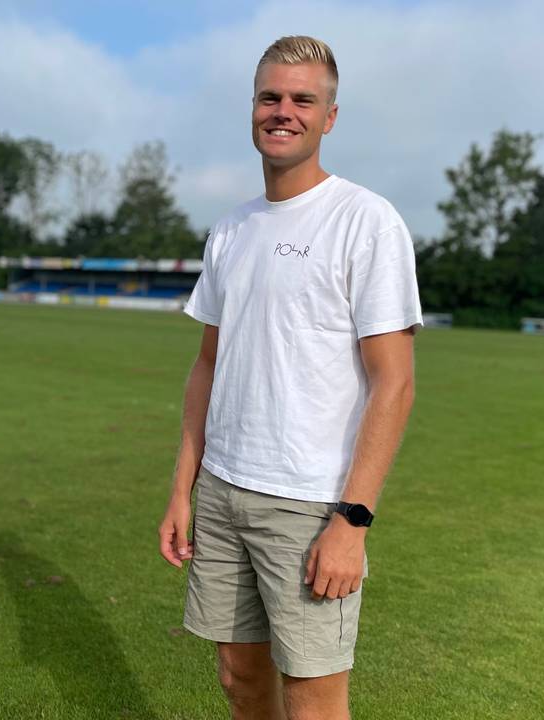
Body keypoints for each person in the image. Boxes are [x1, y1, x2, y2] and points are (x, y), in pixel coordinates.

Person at [158, 35, 422, 720]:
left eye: (303, 99)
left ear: (329, 117)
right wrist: (183, 487)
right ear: (252, 108)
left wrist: (353, 521)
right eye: (270, 97)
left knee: (312, 694)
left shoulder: (365, 221)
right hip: (222, 491)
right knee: (239, 678)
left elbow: (394, 383)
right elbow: (208, 366)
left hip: (311, 505)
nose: (284, 111)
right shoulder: (232, 229)